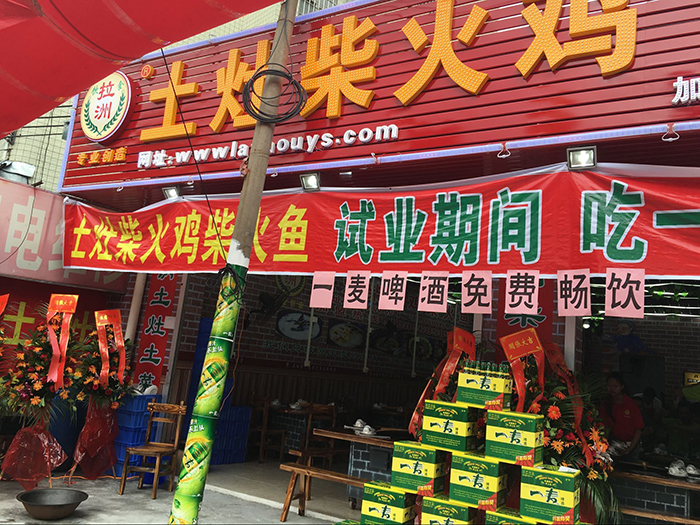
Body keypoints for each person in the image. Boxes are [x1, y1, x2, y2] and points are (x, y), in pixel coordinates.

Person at [600, 372, 644, 458]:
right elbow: (603, 426)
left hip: (631, 446)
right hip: (612, 445)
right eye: (609, 386)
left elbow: (639, 429)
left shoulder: (631, 405)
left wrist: (630, 449)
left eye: (615, 386)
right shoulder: (605, 404)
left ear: (622, 387)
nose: (612, 389)